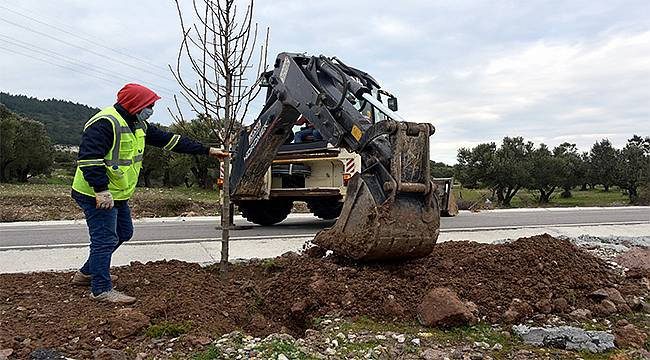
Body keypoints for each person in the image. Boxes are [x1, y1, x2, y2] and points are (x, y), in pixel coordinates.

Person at [70, 83, 228, 304]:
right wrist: (101, 190)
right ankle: (101, 289)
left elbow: (170, 140)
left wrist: (207, 150)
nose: (151, 109)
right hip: (96, 193)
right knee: (104, 240)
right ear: (135, 104)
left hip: (117, 193)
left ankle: (88, 272)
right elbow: (89, 159)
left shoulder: (138, 124)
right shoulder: (105, 123)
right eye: (149, 105)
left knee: (124, 232)